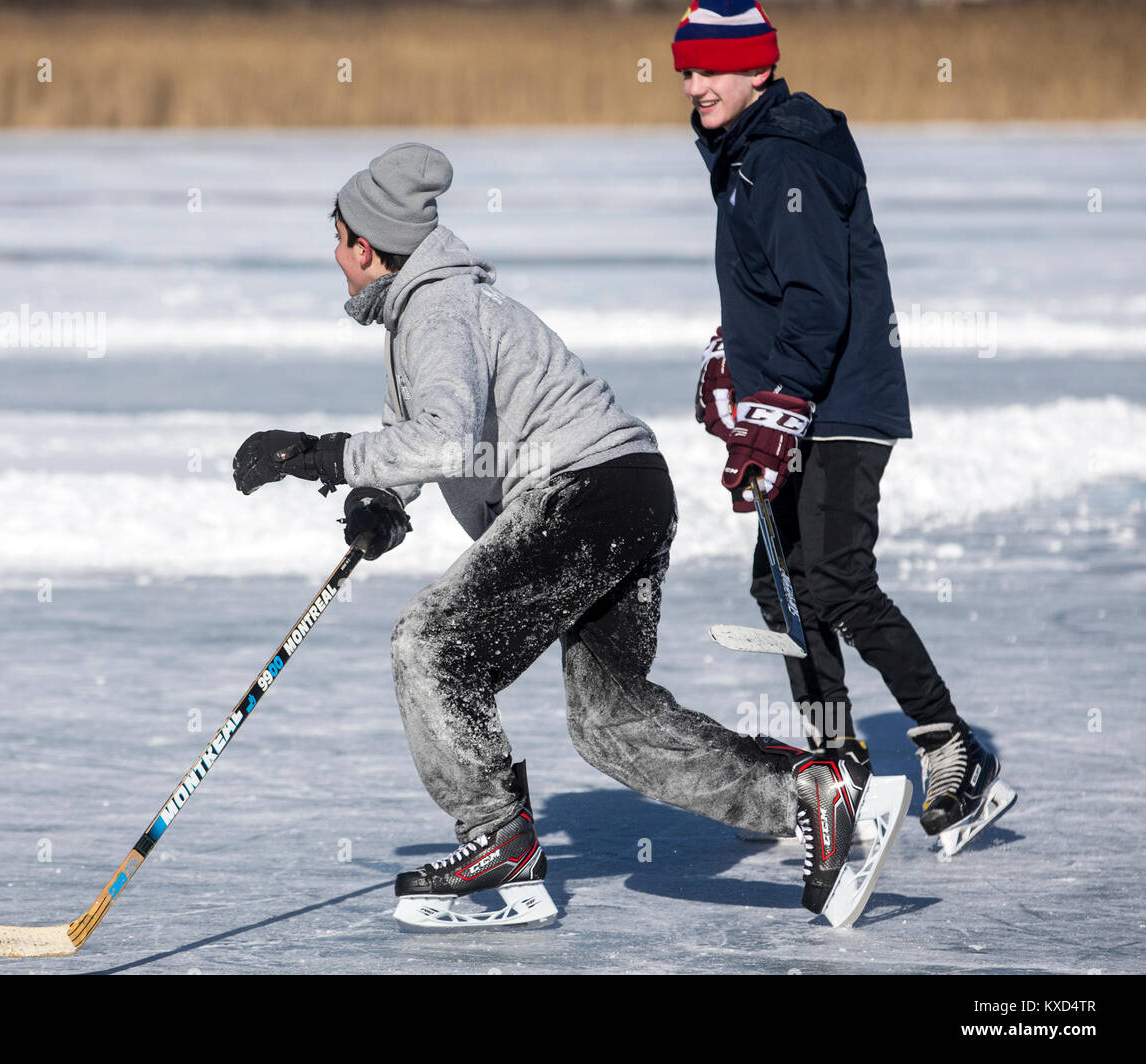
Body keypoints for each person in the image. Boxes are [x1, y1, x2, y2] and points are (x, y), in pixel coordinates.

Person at [231, 142, 907, 928]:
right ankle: (810, 796)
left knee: (429, 645)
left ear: (367, 247)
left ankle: (496, 837)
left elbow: (445, 436)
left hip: (581, 493)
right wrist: (383, 496)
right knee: (609, 720)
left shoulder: (437, 311)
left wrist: (321, 455)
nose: (333, 253)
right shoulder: (432, 308)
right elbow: (431, 433)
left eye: (337, 235)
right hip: (630, 491)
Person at [675, 0, 1014, 852]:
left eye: (712, 68)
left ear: (759, 68)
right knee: (779, 585)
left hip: (838, 403)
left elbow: (818, 300)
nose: (694, 85)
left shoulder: (785, 157)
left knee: (833, 580)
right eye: (686, 68)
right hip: (801, 396)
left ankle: (950, 748)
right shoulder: (746, 154)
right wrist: (731, 361)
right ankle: (837, 756)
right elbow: (770, 289)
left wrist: (776, 406)